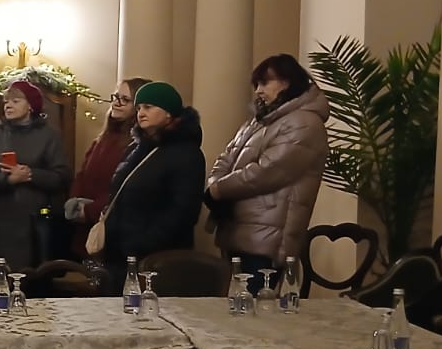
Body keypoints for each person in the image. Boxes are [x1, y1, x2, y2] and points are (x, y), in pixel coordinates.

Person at [205, 54, 330, 292]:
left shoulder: (304, 123)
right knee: (232, 308)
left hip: (267, 239)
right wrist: (214, 183)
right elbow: (225, 158)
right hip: (238, 230)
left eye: (265, 83)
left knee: (254, 308)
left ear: (288, 82)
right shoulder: (258, 122)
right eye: (257, 84)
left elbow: (266, 172)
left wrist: (218, 189)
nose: (258, 91)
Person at [101, 82, 207, 289]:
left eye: (148, 107)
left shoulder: (186, 153)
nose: (141, 113)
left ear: (168, 113)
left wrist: (140, 243)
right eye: (139, 107)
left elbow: (183, 212)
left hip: (156, 258)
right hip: (120, 255)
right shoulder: (139, 148)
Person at [0, 80, 72, 270]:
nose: (8, 105)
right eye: (6, 102)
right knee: (0, 276)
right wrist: (8, 180)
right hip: (0, 222)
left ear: (30, 106)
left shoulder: (49, 135)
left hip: (35, 222)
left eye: (15, 101)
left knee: (34, 278)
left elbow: (62, 176)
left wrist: (30, 175)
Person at [67, 78, 146, 258]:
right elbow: (83, 174)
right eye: (116, 97)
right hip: (84, 226)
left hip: (110, 227)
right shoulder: (103, 138)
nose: (117, 103)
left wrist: (89, 211)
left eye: (125, 100)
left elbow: (121, 188)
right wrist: (74, 203)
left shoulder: (136, 145)